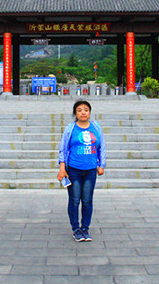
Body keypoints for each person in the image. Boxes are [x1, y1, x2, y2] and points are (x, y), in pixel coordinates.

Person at [57, 100, 106, 242]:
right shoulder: (70, 128)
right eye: (79, 110)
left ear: (89, 112)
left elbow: (101, 146)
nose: (83, 112)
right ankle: (75, 229)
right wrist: (62, 168)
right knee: (74, 200)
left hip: (90, 170)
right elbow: (63, 148)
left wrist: (101, 164)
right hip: (74, 170)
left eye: (86, 110)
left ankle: (85, 228)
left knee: (87, 200)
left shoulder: (96, 127)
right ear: (75, 113)